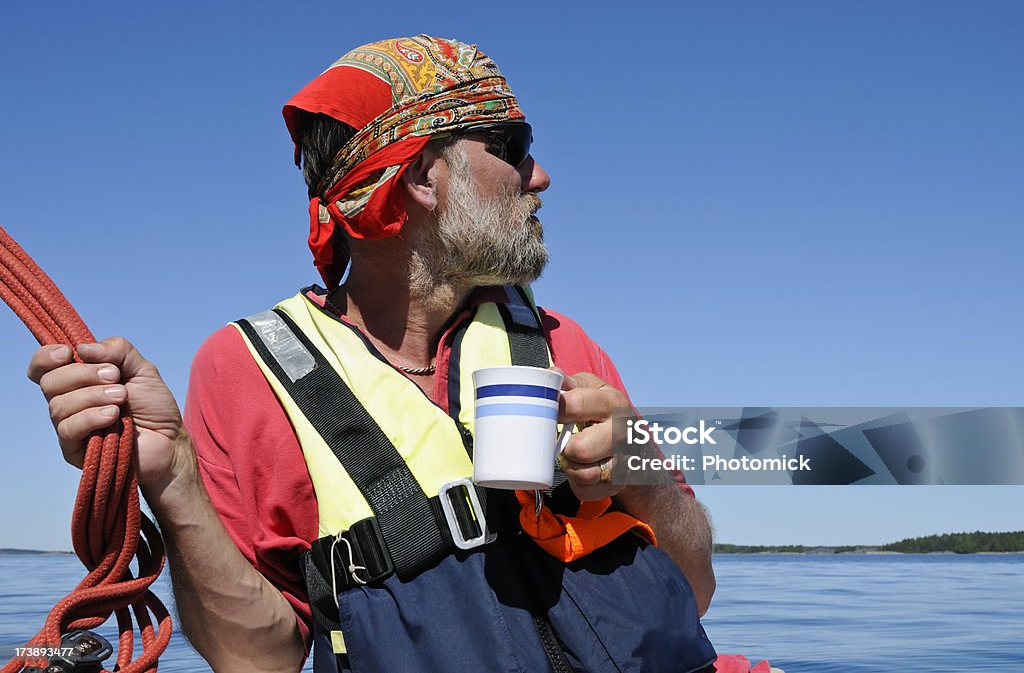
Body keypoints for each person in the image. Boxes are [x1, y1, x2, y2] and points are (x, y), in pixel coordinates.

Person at [29, 35, 771, 673]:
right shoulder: (243, 371)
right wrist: (172, 479)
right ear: (420, 177)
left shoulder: (563, 343)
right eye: (512, 148)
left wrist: (643, 466)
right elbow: (260, 660)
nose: (539, 176)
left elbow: (694, 588)